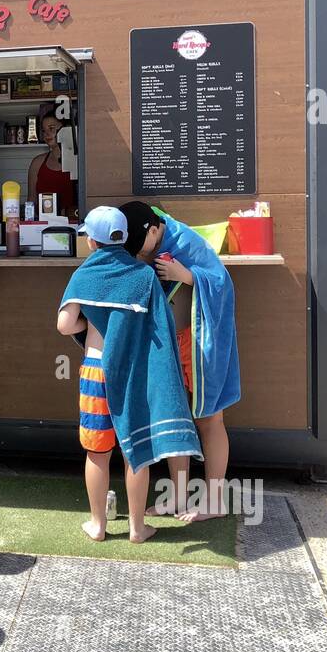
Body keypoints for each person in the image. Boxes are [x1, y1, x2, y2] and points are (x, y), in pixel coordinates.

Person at [56, 207, 201, 542]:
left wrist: (89, 324)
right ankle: (137, 528)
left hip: (95, 370)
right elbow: (158, 328)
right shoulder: (144, 276)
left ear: (91, 241)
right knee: (136, 451)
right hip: (134, 371)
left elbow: (64, 325)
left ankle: (97, 525)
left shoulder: (83, 275)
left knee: (97, 452)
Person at [120, 200, 241, 521]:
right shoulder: (148, 242)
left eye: (140, 246)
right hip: (169, 343)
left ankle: (215, 500)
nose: (139, 253)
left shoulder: (184, 241)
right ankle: (178, 496)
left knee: (210, 419)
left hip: (200, 345)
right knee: (175, 418)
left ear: (156, 229)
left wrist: (185, 275)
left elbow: (222, 282)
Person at [27, 106, 77, 217]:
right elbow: (31, 201)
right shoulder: (37, 163)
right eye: (44, 130)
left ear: (65, 129)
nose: (46, 134)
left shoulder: (78, 161)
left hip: (74, 225)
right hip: (43, 226)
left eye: (52, 128)